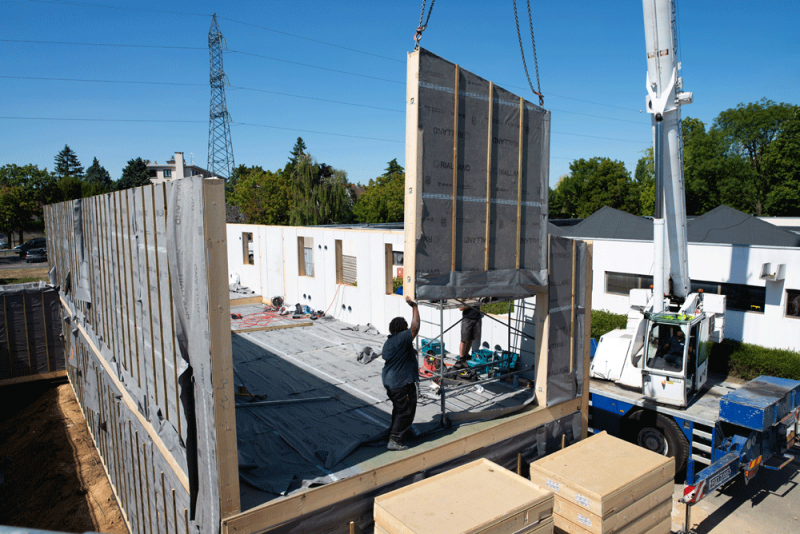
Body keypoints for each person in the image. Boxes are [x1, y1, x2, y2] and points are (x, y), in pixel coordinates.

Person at [381, 296, 420, 451]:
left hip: (391, 382)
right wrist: (414, 307)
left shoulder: (390, 342)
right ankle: (395, 439)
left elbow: (398, 354)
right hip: (400, 383)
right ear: (402, 329)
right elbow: (415, 327)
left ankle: (400, 431)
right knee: (406, 409)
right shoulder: (402, 338)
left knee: (399, 408)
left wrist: (411, 351)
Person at [454, 303, 482, 368]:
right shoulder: (465, 295)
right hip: (467, 319)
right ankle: (461, 359)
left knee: (471, 339)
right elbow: (461, 308)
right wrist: (471, 304)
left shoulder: (477, 293)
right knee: (464, 340)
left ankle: (466, 356)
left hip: (477, 318)